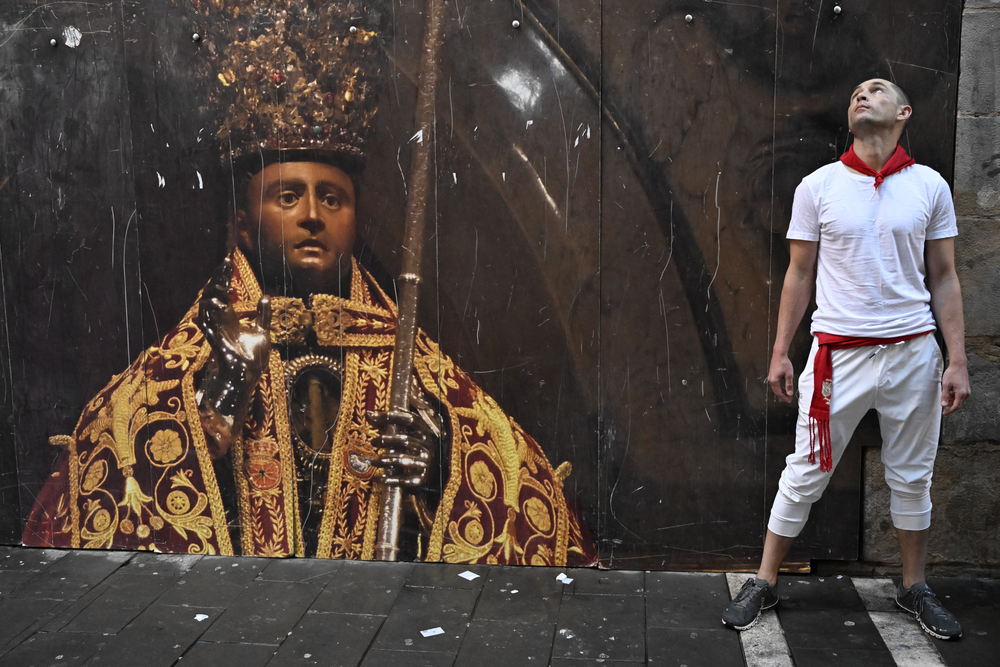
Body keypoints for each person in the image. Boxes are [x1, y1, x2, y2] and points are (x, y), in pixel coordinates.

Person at [21, 0, 596, 567]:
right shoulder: (193, 362)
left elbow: (512, 482)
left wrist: (442, 468)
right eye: (288, 196)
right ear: (242, 227)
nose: (314, 215)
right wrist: (218, 402)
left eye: (333, 198)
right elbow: (126, 476)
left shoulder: (407, 363)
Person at [721, 79, 970, 639]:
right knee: (806, 470)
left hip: (913, 354)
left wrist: (956, 360)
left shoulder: (929, 186)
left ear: (903, 112)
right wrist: (782, 350)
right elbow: (799, 274)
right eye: (857, 91)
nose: (863, 94)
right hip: (839, 355)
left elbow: (946, 278)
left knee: (911, 477)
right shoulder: (819, 185)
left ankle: (913, 587)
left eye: (877, 90)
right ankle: (764, 580)